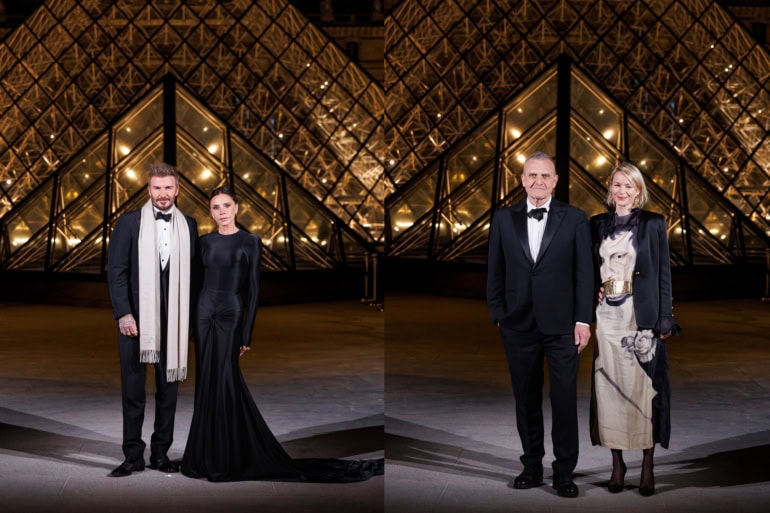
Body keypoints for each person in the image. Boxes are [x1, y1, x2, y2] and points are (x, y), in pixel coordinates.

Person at [181, 185, 383, 482]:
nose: (221, 212)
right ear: (210, 211)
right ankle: (205, 452)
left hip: (230, 314)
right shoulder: (203, 242)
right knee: (206, 381)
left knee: (226, 378)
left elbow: (253, 290)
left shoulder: (250, 241)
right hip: (203, 313)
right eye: (215, 207)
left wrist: (246, 334)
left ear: (237, 207)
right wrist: (189, 326)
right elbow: (194, 284)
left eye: (226, 206)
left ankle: (228, 453)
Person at [486, 152, 594, 498]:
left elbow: (584, 273)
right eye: (532, 175)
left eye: (545, 176)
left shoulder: (575, 218)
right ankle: (531, 465)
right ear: (521, 179)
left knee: (563, 399)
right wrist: (499, 313)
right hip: (518, 325)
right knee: (526, 399)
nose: (538, 182)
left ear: (556, 180)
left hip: (563, 325)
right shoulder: (503, 219)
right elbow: (495, 271)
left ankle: (564, 472)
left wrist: (583, 320)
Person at [589, 161, 679, 496]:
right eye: (617, 185)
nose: (622, 191)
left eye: (629, 185)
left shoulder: (654, 224)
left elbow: (663, 273)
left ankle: (647, 464)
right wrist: (591, 293)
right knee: (608, 390)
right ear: (610, 189)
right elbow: (587, 269)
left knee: (644, 388)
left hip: (641, 317)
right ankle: (617, 464)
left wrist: (665, 316)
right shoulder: (596, 224)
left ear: (639, 191)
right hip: (607, 318)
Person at [107, 162, 199, 477]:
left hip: (173, 322)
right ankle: (132, 456)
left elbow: (195, 277)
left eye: (168, 188)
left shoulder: (190, 225)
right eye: (157, 188)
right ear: (148, 189)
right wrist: (124, 313)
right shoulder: (129, 223)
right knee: (133, 390)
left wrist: (191, 320)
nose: (162, 194)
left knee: (168, 391)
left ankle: (160, 453)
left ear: (177, 189)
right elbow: (116, 272)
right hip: (135, 321)